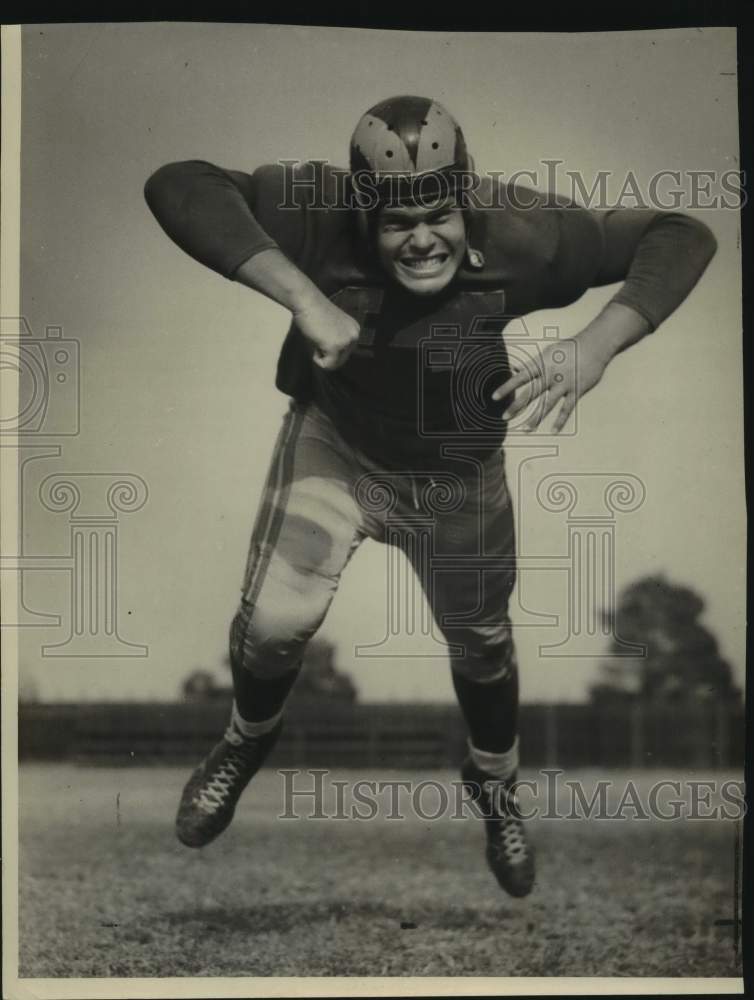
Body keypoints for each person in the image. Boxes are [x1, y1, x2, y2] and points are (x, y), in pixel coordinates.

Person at [144, 95, 716, 898]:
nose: (420, 239)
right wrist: (302, 297)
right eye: (394, 223)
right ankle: (245, 738)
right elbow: (179, 182)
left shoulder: (526, 233)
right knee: (275, 622)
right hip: (338, 448)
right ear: (360, 214)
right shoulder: (318, 214)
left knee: (481, 644)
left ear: (468, 201)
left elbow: (682, 233)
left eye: (439, 215)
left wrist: (598, 344)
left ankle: (495, 783)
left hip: (458, 473)